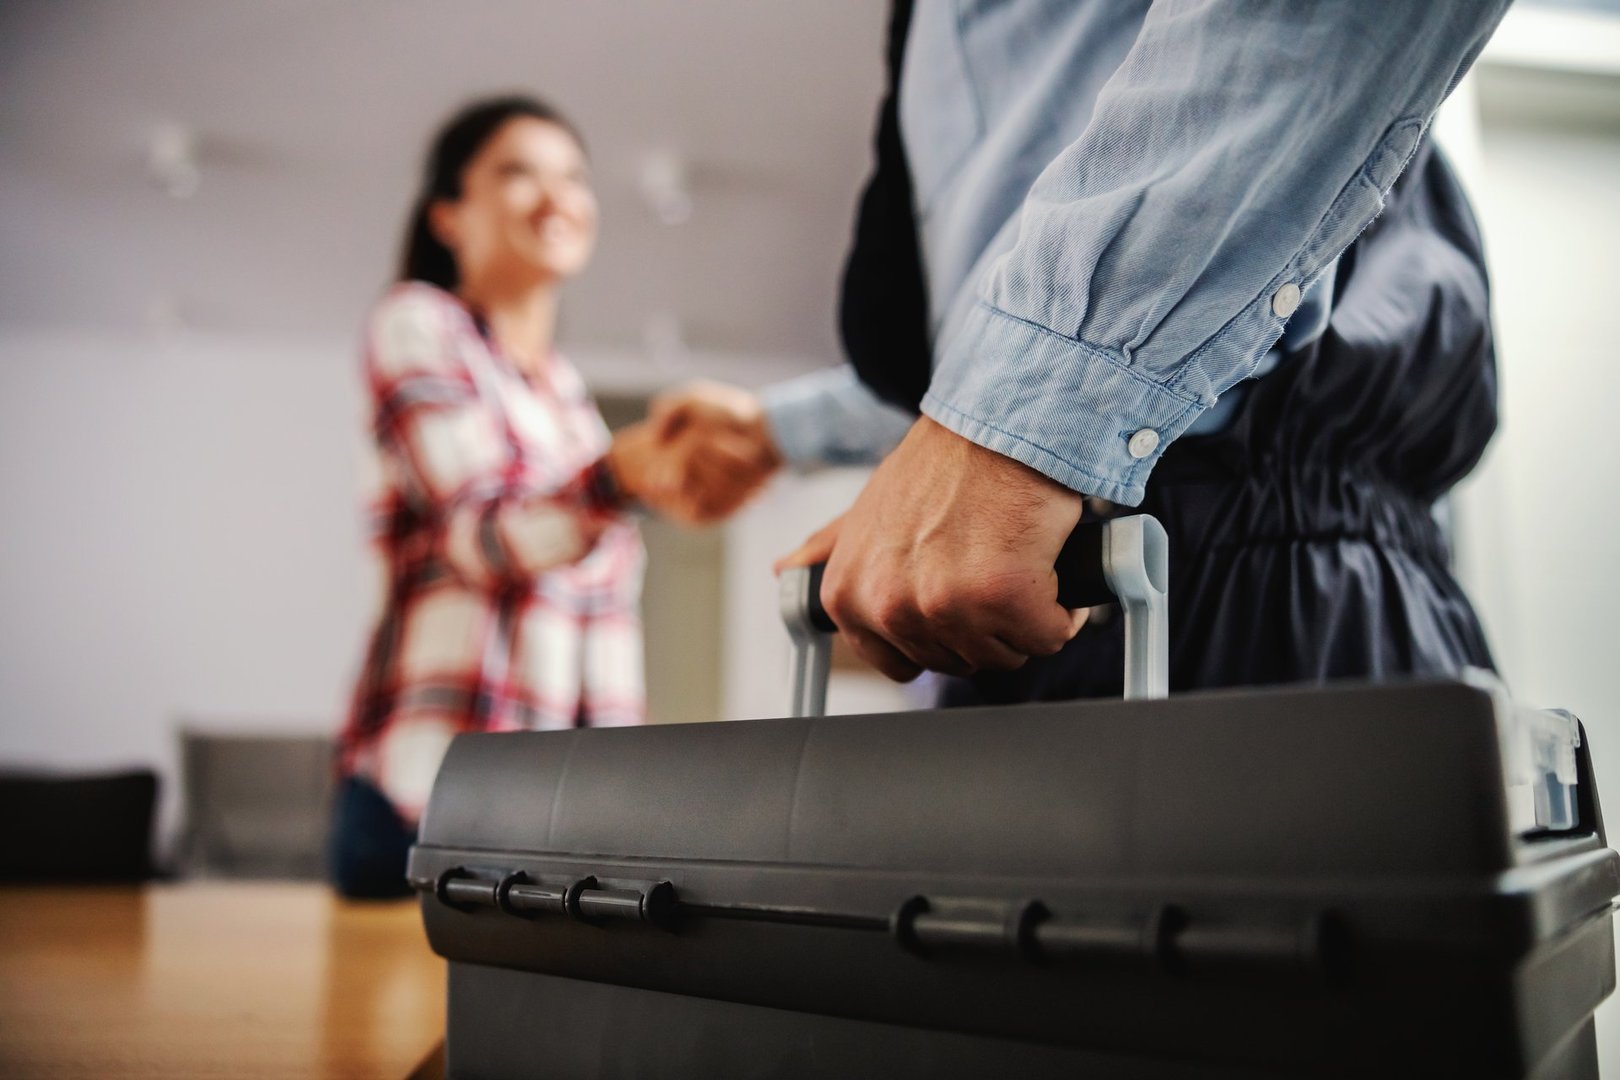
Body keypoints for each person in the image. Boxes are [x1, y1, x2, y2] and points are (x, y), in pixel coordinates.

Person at [657, 1, 1511, 703]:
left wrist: (1007, 427)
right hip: (1024, 610)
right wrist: (780, 431)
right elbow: (996, 334)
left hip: (1266, 582)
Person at [331, 96, 716, 898]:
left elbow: (601, 624)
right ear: (447, 214)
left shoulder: (568, 397)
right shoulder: (417, 322)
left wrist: (622, 804)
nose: (556, 196)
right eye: (516, 172)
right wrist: (619, 478)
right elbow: (482, 536)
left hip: (548, 819)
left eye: (573, 176)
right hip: (428, 803)